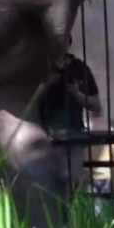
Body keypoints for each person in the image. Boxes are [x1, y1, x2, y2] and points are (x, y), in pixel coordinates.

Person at [39, 39, 103, 197]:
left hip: (74, 135)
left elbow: (96, 106)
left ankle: (67, 220)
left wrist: (76, 93)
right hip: (44, 137)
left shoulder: (80, 69)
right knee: (44, 187)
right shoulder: (40, 67)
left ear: (69, 43)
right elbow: (23, 101)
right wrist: (46, 84)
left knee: (69, 186)